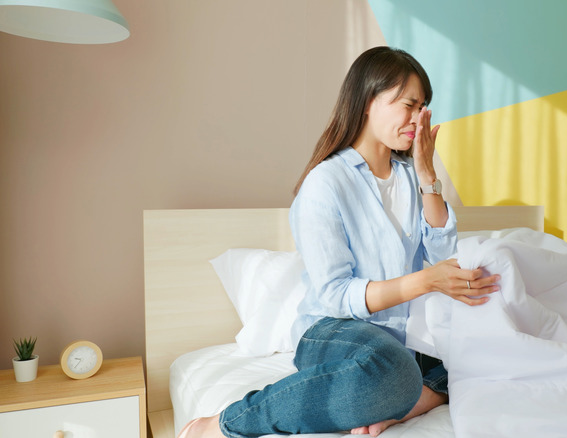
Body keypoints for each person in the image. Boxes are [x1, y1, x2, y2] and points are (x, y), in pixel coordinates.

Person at [178, 46, 500, 438]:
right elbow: (335, 294)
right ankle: (223, 423)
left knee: (487, 353)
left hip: (402, 339)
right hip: (334, 331)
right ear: (368, 101)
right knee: (396, 370)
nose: (419, 119)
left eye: (424, 107)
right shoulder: (326, 183)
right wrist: (426, 281)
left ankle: (403, 403)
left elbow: (440, 254)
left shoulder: (410, 179)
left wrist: (427, 173)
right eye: (410, 105)